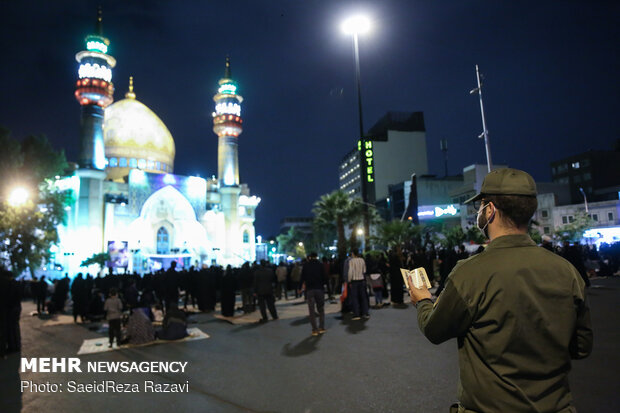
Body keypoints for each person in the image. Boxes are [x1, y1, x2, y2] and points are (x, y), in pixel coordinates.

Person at [407, 168, 593, 413]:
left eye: (480, 206)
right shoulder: (566, 271)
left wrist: (422, 300)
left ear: (490, 210)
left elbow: (434, 329)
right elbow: (581, 346)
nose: (480, 213)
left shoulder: (470, 272)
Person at [299, 252, 327, 336]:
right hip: (319, 288)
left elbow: (302, 277)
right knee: (321, 308)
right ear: (316, 256)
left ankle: (314, 330)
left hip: (310, 289)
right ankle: (321, 327)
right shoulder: (320, 265)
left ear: (310, 257)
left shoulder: (306, 265)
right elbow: (325, 277)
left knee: (311, 310)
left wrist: (300, 288)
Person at [346, 250, 369, 320]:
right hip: (361, 280)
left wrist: (349, 280)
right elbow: (364, 270)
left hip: (354, 281)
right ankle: (365, 313)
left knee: (355, 297)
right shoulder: (362, 260)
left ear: (353, 254)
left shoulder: (351, 261)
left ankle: (357, 314)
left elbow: (350, 272)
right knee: (363, 297)